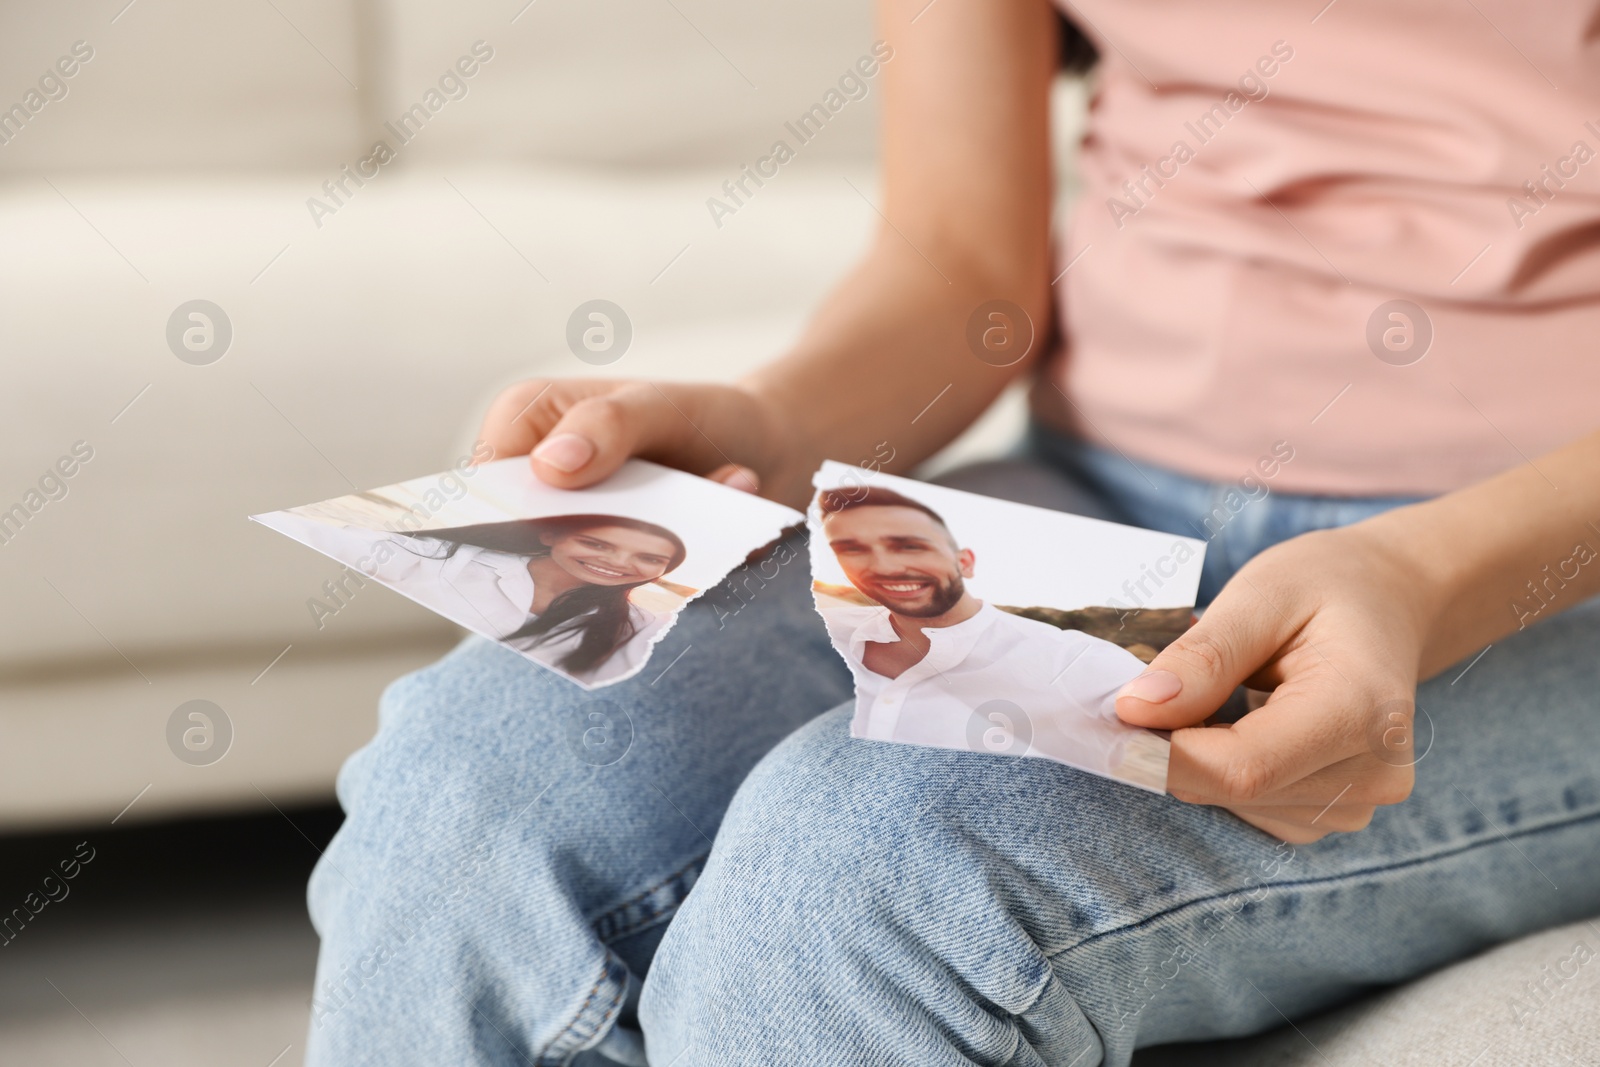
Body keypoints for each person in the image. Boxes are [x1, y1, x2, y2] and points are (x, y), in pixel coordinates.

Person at [303, 2, 1600, 1064]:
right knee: (470, 781)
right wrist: (771, 418)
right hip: (1108, 494)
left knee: (865, 880)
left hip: (1543, 566)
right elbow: (957, 259)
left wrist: (1422, 573)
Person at [814, 483, 1165, 789]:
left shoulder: (1073, 660)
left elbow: (1171, 759)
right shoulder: (844, 629)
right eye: (852, 549)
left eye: (909, 546)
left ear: (964, 562)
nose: (883, 568)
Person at [275, 512, 684, 686]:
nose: (619, 564)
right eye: (596, 544)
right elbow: (327, 534)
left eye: (649, 558)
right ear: (550, 534)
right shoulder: (449, 558)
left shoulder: (646, 628)